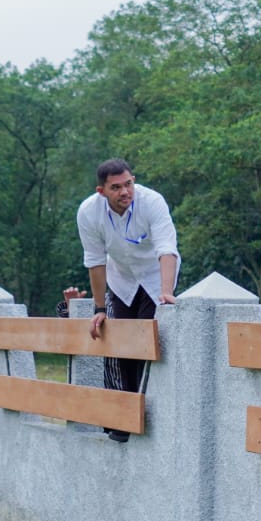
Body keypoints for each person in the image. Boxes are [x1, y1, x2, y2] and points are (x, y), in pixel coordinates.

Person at [77, 159, 180, 442]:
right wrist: (99, 308)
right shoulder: (88, 213)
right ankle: (126, 419)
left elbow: (167, 248)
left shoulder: (152, 202)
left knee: (146, 340)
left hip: (155, 278)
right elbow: (95, 261)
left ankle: (150, 417)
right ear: (102, 191)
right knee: (122, 345)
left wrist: (167, 293)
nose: (125, 192)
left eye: (128, 184)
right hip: (121, 279)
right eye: (116, 187)